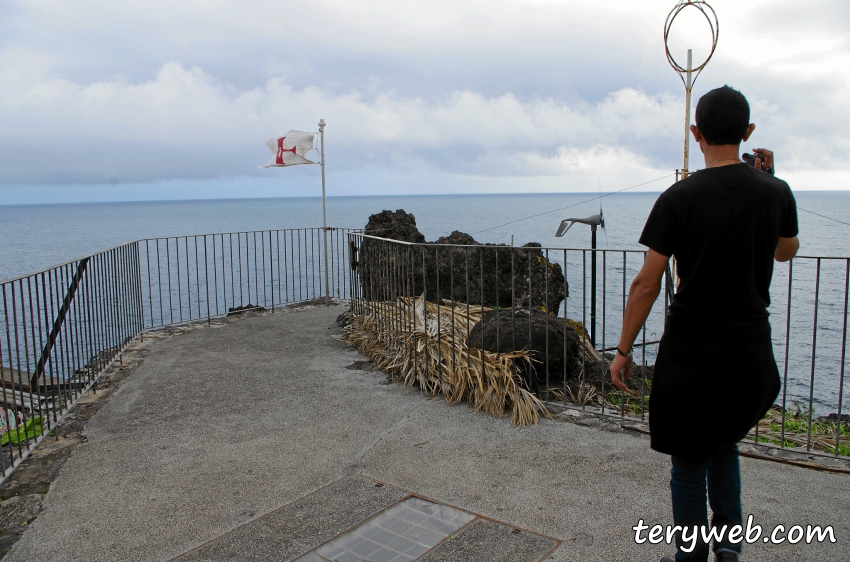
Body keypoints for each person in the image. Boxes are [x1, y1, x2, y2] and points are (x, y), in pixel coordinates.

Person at [607, 85, 799, 562]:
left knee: (689, 461)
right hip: (750, 348)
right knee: (723, 441)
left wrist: (624, 350)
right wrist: (770, 181)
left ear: (696, 134)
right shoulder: (776, 191)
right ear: (748, 132)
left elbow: (646, 285)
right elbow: (785, 251)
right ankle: (728, 551)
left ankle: (690, 556)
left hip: (693, 349)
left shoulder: (679, 197)